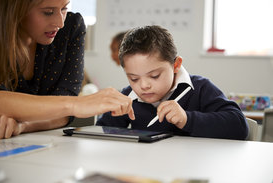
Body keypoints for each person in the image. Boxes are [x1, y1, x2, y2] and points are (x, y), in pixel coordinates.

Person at [0, 0, 134, 139]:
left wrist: (22, 125)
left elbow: (63, 114)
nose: (60, 23)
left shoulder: (71, 26)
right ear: (16, 9)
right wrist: (75, 104)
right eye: (48, 12)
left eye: (64, 8)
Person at [96, 25, 248, 140]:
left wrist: (187, 119)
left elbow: (239, 126)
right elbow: (100, 134)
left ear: (176, 65)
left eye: (154, 76)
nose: (143, 86)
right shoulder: (129, 96)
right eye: (134, 78)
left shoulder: (200, 88)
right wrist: (111, 114)